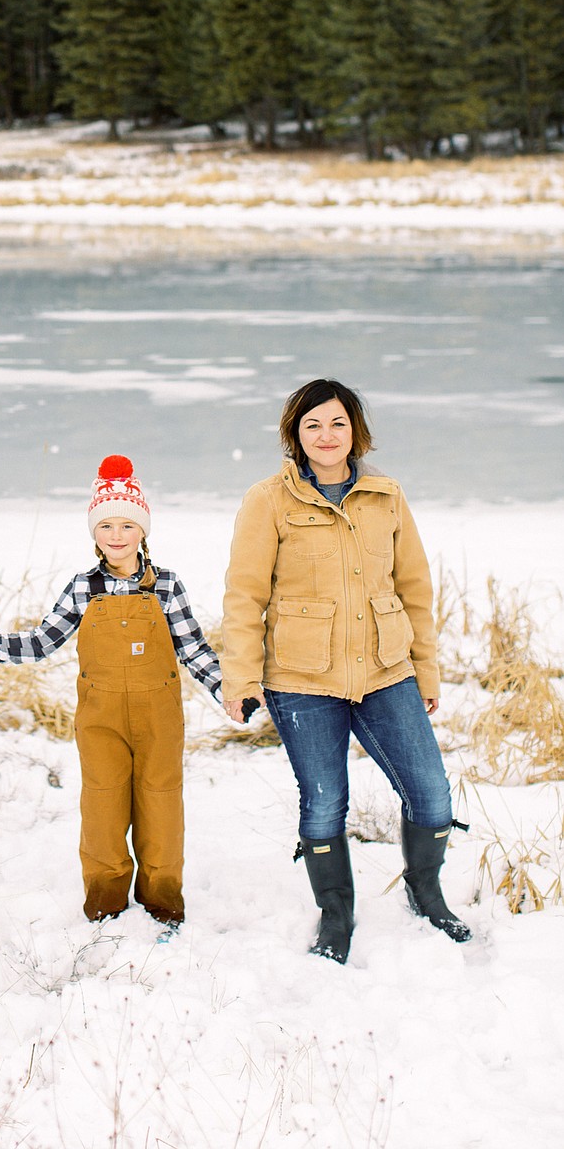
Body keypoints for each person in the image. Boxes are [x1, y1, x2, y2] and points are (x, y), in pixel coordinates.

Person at [220, 377, 470, 964]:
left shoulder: (387, 496)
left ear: (355, 429)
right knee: (326, 802)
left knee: (432, 795)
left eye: (337, 423)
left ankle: (426, 893)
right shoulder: (268, 501)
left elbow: (415, 590)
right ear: (294, 435)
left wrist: (425, 673)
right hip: (302, 681)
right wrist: (241, 679)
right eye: (312, 425)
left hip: (386, 672)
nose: (326, 435)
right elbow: (244, 595)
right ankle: (337, 917)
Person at [0, 455, 221, 928]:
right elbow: (40, 643)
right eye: (105, 525)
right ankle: (106, 902)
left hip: (159, 718)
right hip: (101, 718)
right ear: (94, 532)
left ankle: (163, 900)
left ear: (143, 531)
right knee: (104, 808)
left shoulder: (166, 586)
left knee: (162, 804)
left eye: (127, 525)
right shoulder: (81, 588)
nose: (116, 535)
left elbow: (195, 650)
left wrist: (229, 690)